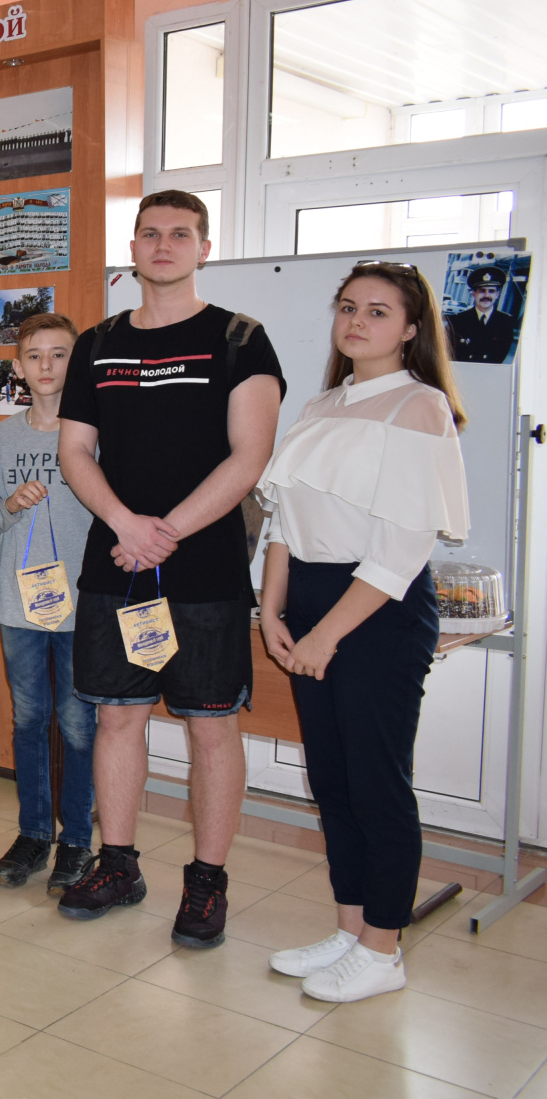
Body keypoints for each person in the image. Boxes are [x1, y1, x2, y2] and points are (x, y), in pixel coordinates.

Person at [56, 191, 284, 947]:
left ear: (204, 248)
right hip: (116, 563)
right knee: (116, 718)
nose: (163, 245)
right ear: (132, 247)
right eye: (150, 233)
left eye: (180, 234)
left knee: (212, 727)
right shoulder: (97, 343)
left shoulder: (241, 338)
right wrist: (127, 525)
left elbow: (250, 457)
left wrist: (166, 533)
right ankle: (118, 865)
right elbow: (75, 451)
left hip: (206, 570)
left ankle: (207, 882)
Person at [258, 262, 468, 1002]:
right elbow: (284, 523)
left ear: (410, 329)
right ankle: (351, 929)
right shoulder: (321, 405)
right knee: (332, 780)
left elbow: (402, 548)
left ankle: (384, 948)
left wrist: (326, 635)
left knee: (378, 783)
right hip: (310, 598)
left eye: (378, 311)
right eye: (348, 307)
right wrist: (272, 610)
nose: (357, 321)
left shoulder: (419, 406)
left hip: (377, 608)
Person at [0, 312, 97, 893]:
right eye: (34, 355)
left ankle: (77, 839)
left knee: (78, 725)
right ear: (18, 366)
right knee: (29, 720)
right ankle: (33, 834)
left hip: (83, 603)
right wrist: (10, 504)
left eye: (59, 354)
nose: (46, 366)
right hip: (20, 604)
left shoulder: (97, 434)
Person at [444, 263, 519, 364]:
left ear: (497, 295)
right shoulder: (457, 321)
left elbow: (500, 356)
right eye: (482, 291)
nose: (486, 295)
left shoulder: (505, 322)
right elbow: (448, 353)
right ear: (474, 294)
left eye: (491, 291)